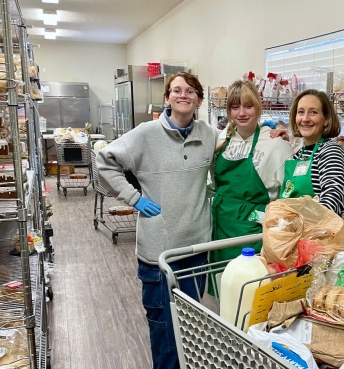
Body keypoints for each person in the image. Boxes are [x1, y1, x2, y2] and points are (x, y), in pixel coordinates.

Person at [96, 72, 218, 369]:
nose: (183, 95)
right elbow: (104, 161)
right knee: (163, 327)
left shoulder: (209, 134)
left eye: (191, 91)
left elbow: (234, 146)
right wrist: (134, 197)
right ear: (167, 98)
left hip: (196, 249)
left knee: (190, 323)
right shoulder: (145, 134)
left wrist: (269, 130)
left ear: (199, 99)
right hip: (159, 252)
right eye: (176, 90)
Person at [211, 80, 294, 265]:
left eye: (248, 106)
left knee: (251, 286)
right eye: (235, 107)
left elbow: (289, 198)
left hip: (254, 232)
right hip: (221, 226)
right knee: (223, 287)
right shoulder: (222, 138)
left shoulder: (276, 144)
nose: (241, 113)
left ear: (258, 107)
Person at [279, 89, 344, 215]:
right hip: (293, 231)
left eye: (313, 112)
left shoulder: (331, 152)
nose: (305, 119)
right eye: (301, 112)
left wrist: (295, 223)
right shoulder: (301, 153)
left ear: (326, 119)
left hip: (316, 232)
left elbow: (332, 202)